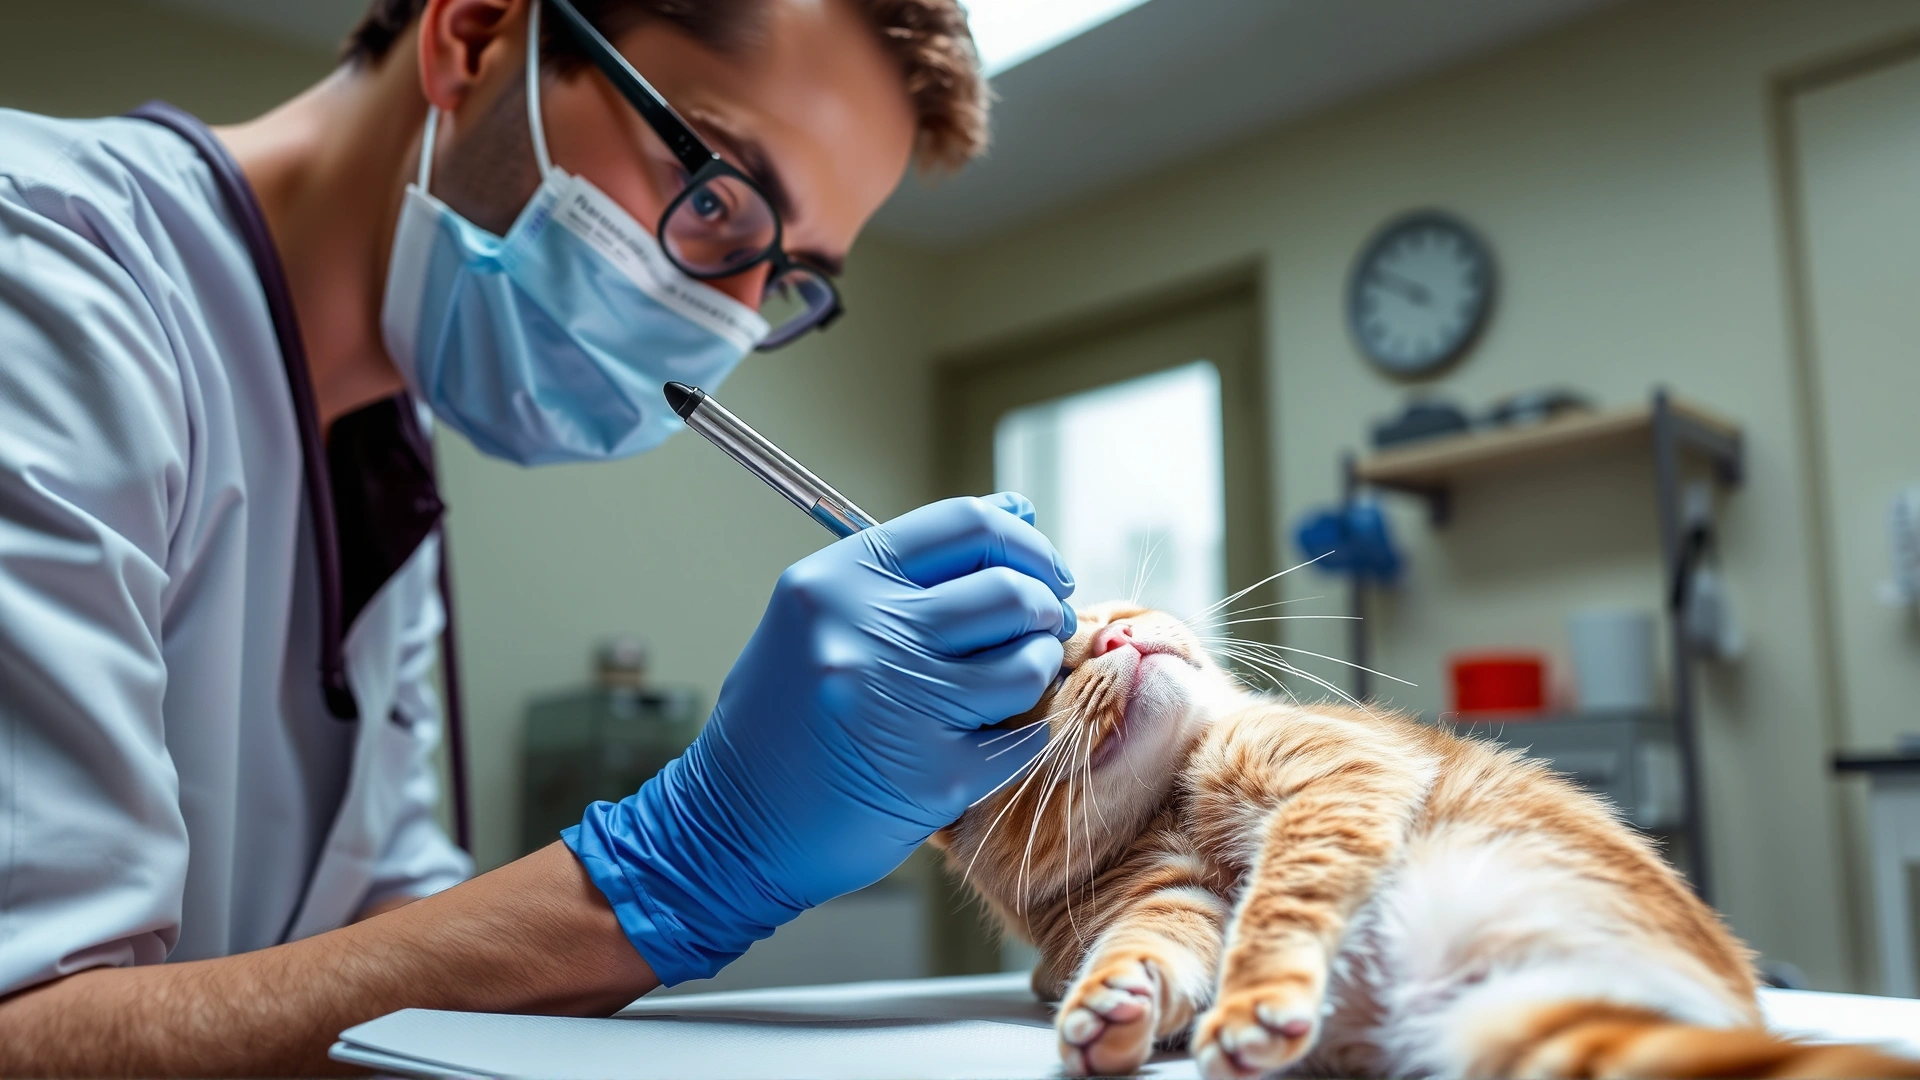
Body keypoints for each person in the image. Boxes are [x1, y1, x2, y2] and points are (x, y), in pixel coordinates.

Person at [0, 0, 1075, 1073]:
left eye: (787, 274)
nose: (731, 318)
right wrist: (682, 863)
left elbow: (373, 930)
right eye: (717, 193)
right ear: (473, 38)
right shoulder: (41, 267)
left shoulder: (384, 456)